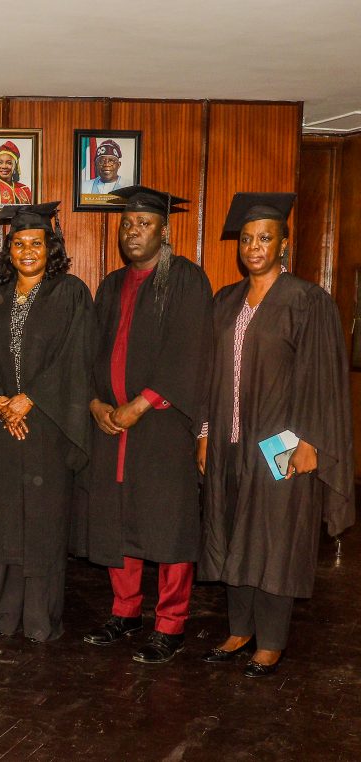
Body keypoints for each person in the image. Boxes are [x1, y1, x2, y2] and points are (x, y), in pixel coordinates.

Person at [198, 193, 354, 677]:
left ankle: (270, 640)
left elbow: (323, 378)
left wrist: (310, 441)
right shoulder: (225, 301)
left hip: (279, 443)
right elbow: (207, 374)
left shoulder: (307, 300)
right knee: (232, 529)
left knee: (275, 537)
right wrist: (204, 432)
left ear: (282, 244)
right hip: (229, 441)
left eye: (264, 238)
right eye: (246, 239)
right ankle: (239, 629)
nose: (254, 246)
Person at [83, 185, 213, 664]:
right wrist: (96, 404)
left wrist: (140, 404)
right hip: (112, 425)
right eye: (127, 224)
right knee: (119, 519)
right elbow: (91, 352)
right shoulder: (111, 284)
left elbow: (190, 350)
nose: (132, 231)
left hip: (161, 424)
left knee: (168, 523)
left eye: (144, 224)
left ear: (165, 230)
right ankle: (125, 611)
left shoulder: (186, 279)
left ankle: (170, 624)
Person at [0, 203, 94, 642]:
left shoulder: (70, 293)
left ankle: (40, 619)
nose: (27, 251)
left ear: (51, 248)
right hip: (2, 423)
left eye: (36, 243)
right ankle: (1, 615)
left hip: (49, 423)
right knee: (5, 520)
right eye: (19, 243)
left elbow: (77, 356)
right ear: (8, 249)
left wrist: (30, 399)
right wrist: (0, 400)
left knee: (45, 523)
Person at [0, 141, 33, 207]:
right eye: (0, 163)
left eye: (9, 163)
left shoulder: (25, 189)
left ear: (15, 167)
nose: (4, 166)